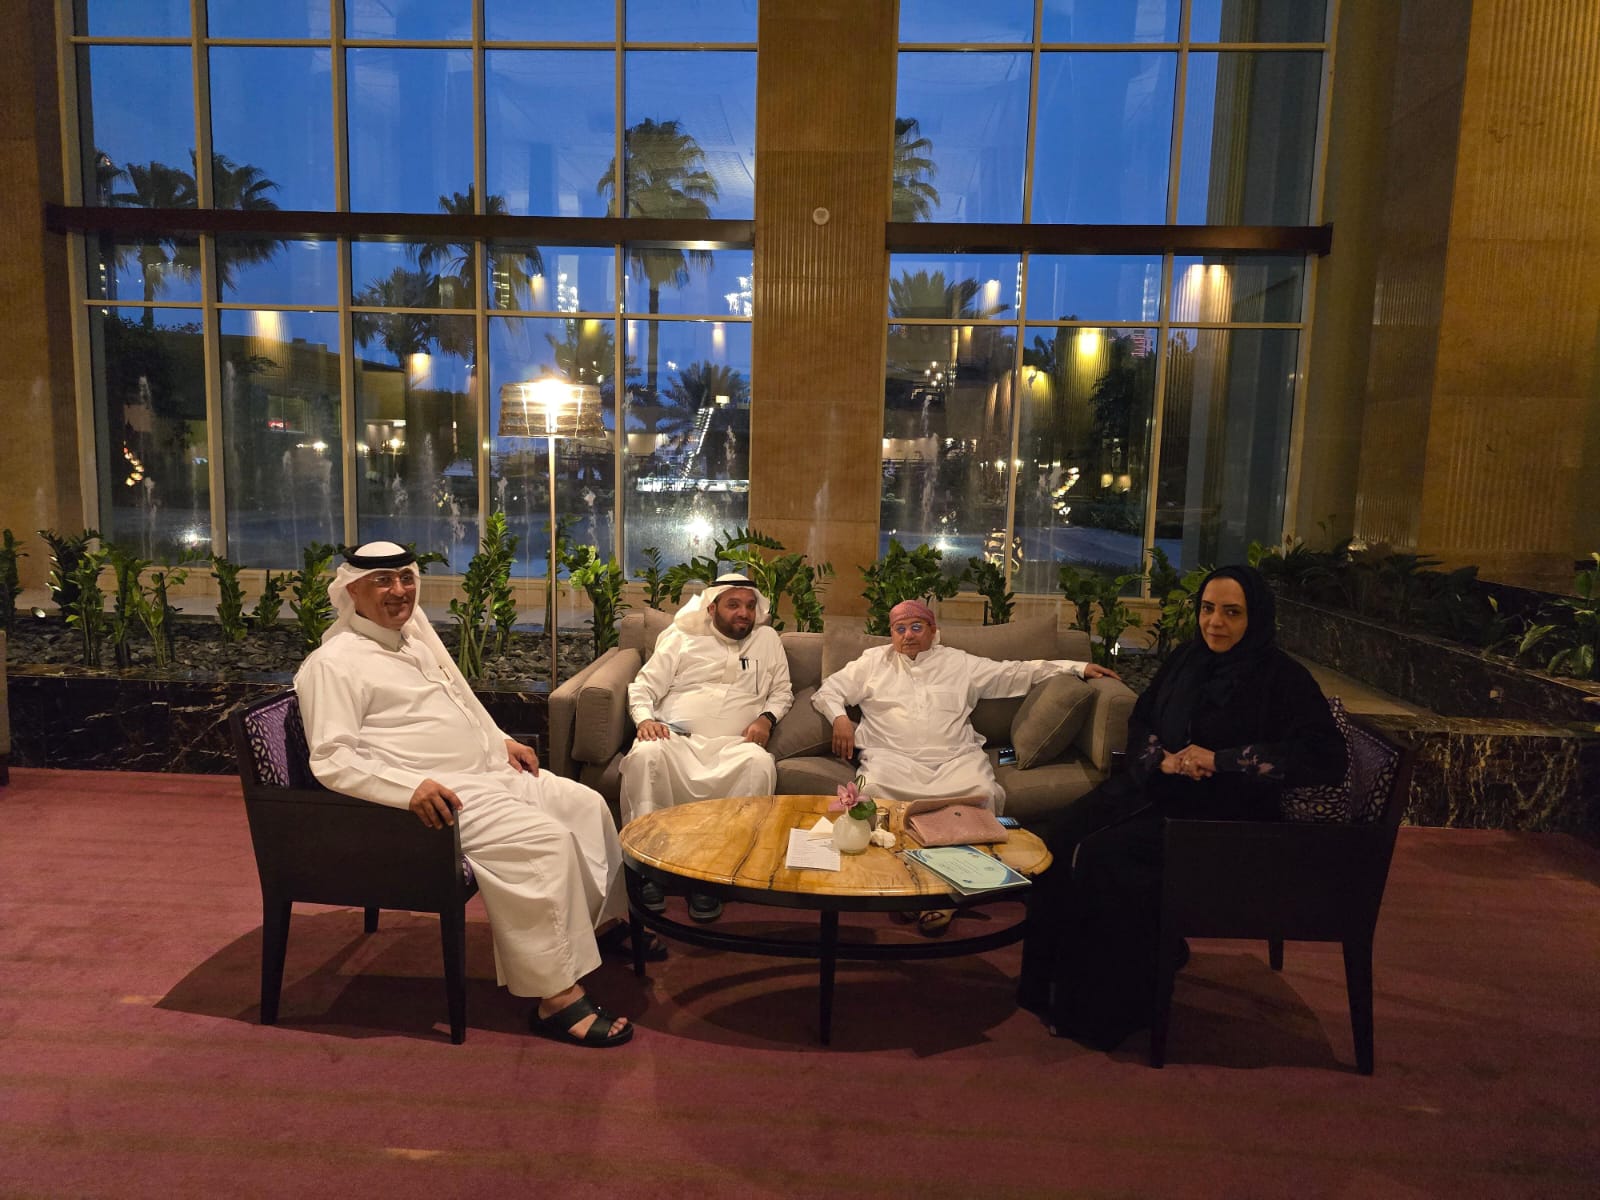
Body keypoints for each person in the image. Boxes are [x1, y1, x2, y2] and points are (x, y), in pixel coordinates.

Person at [295, 541, 643, 1050]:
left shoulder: (412, 640)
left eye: (406, 578)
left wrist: (500, 740)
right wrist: (408, 788)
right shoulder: (333, 663)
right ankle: (556, 997)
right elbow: (331, 759)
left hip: (485, 771)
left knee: (586, 806)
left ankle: (596, 927)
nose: (399, 591)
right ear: (352, 591)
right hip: (437, 797)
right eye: (382, 581)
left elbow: (459, 703)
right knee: (542, 842)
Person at [1015, 564, 1348, 1051]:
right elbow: (1143, 718)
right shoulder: (1187, 659)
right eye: (1208, 609)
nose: (1215, 622)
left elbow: (1326, 758)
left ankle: (1106, 1010)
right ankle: (1048, 987)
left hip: (1226, 824)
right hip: (1161, 792)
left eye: (1232, 613)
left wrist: (1223, 760)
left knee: (1108, 859)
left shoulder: (1283, 679)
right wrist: (1162, 759)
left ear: (1256, 617)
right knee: (1058, 837)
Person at [813, 598, 1119, 936]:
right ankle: (905, 882)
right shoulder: (872, 662)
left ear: (933, 631)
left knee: (983, 792)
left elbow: (1017, 672)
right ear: (892, 634)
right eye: (900, 629)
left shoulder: (959, 662)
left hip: (955, 759)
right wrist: (840, 718)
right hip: (891, 759)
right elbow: (829, 690)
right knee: (871, 792)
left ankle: (948, 894)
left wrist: (1077, 668)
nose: (908, 635)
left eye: (916, 627)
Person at [621, 573, 794, 923]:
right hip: (677, 740)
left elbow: (782, 691)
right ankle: (649, 868)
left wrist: (766, 719)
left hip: (735, 746)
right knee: (646, 755)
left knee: (759, 765)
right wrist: (644, 720)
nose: (743, 613)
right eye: (733, 605)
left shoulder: (766, 640)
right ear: (712, 608)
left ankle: (716, 873)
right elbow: (643, 687)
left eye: (750, 606)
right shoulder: (681, 637)